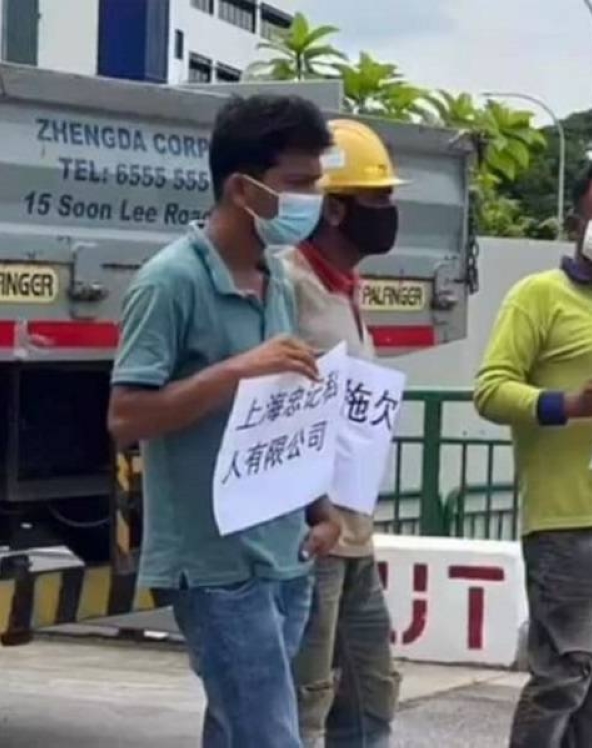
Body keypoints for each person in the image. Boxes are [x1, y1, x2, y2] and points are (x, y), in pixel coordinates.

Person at [107, 95, 342, 748]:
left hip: (282, 550)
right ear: (243, 188)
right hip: (213, 563)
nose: (313, 199)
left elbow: (279, 408)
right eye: (299, 184)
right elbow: (126, 416)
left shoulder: (276, 276)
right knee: (270, 735)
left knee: (240, 730)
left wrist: (318, 510)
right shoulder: (170, 282)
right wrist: (239, 370)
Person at [474, 158, 592, 748]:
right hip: (567, 522)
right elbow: (491, 390)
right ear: (575, 219)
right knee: (561, 678)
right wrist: (568, 405)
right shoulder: (538, 294)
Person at [281, 119, 404, 748]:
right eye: (378, 199)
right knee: (304, 699)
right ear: (335, 208)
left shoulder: (347, 287)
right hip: (312, 532)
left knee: (370, 690)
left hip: (355, 532)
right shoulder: (290, 285)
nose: (390, 212)